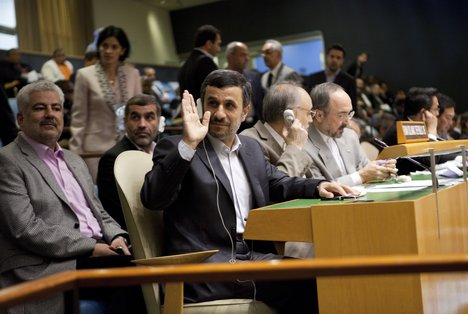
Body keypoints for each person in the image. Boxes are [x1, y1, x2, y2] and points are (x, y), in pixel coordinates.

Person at [141, 69, 357, 313]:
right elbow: (153, 198)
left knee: (321, 276)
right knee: (309, 285)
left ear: (245, 112)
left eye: (229, 105)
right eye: (213, 104)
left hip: (252, 257)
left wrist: (318, 186)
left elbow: (279, 183)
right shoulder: (176, 147)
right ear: (203, 107)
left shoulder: (251, 149)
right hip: (205, 267)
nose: (220, 113)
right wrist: (189, 144)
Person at [0, 80, 132, 313]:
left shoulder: (73, 160)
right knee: (134, 275)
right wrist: (91, 247)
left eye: (56, 108)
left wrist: (116, 236)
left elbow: (98, 211)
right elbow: (25, 228)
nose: (50, 114)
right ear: (20, 119)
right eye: (40, 108)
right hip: (48, 264)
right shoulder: (8, 160)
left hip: (97, 254)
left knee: (156, 260)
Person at [241, 82, 316, 258]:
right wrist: (294, 148)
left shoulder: (291, 139)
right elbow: (280, 192)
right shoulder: (250, 142)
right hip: (278, 239)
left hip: (304, 225)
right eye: (309, 113)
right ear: (290, 115)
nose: (311, 119)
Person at [69, 25, 142, 182]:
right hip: (94, 151)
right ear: (98, 48)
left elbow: (140, 112)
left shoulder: (133, 74)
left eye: (114, 46)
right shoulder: (85, 75)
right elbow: (78, 117)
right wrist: (75, 152)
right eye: (104, 46)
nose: (108, 51)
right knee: (99, 198)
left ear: (122, 50)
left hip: (128, 148)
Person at [304, 82, 397, 186]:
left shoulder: (349, 136)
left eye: (349, 114)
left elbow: (365, 167)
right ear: (319, 115)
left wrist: (381, 169)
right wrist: (361, 176)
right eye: (341, 115)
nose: (347, 122)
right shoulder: (303, 146)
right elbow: (318, 188)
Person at [97, 94, 161, 230]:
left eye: (149, 117)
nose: (142, 125)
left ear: (159, 122)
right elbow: (117, 214)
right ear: (125, 122)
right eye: (135, 117)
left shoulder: (164, 153)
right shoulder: (114, 159)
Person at [306, 43, 357, 111]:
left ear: (342, 61)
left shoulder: (349, 81)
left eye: (338, 58)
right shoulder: (313, 77)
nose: (334, 60)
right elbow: (307, 100)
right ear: (327, 57)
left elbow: (353, 106)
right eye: (332, 56)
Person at [178, 24, 221, 101]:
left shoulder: (186, 63)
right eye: (218, 44)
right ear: (209, 44)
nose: (219, 49)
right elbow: (216, 91)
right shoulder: (205, 62)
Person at [225, 41, 264, 125]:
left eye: (247, 55)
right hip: (233, 125)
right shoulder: (221, 79)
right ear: (230, 57)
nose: (247, 58)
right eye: (242, 55)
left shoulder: (255, 76)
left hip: (256, 124)